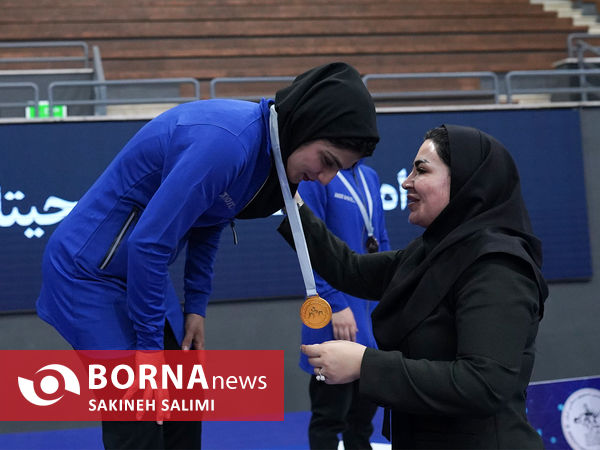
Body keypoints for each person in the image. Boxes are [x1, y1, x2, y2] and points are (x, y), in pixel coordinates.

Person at [36, 62, 379, 450]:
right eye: (328, 161)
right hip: (86, 275)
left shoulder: (265, 153)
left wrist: (195, 308)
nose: (326, 178)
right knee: (137, 408)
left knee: (184, 402)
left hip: (138, 272)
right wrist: (149, 355)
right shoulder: (228, 142)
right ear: (305, 125)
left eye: (341, 170)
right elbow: (147, 244)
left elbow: (211, 220)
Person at [279, 125, 549, 449]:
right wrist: (289, 198)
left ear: (464, 180)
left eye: (421, 170)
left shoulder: (498, 267)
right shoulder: (430, 252)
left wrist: (365, 364)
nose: (406, 181)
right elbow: (347, 268)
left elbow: (483, 384)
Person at [298, 161, 390, 449]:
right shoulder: (316, 173)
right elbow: (308, 244)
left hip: (369, 312)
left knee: (362, 420)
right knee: (329, 417)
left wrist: (389, 294)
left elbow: (380, 239)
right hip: (332, 314)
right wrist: (335, 304)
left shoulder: (370, 175)